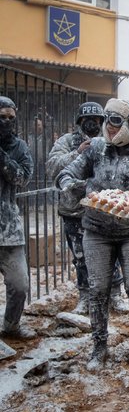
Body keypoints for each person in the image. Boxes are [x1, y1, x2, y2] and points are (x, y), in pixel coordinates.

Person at [56, 98, 129, 370]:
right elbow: (67, 172)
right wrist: (72, 185)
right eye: (107, 121)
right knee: (98, 289)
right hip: (97, 230)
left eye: (116, 123)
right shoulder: (96, 149)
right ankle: (99, 344)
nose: (109, 129)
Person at [46, 102, 128, 314]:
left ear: (103, 121)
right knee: (81, 257)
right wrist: (77, 153)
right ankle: (85, 296)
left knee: (112, 253)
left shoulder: (112, 141)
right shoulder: (66, 141)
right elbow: (52, 168)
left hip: (104, 210)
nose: (92, 124)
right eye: (87, 120)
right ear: (79, 122)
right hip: (74, 209)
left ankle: (115, 294)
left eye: (97, 120)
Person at [0, 96, 36, 340]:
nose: (6, 122)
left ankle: (11, 325)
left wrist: (2, 159)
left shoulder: (19, 146)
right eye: (2, 117)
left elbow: (24, 177)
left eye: (11, 118)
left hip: (8, 229)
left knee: (20, 285)